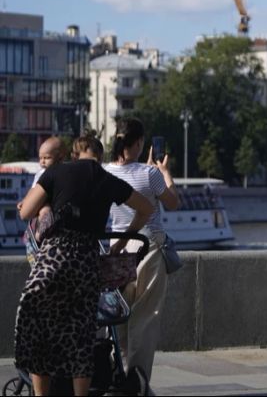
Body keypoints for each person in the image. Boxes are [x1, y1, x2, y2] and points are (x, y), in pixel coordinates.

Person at [14, 159, 153, 396]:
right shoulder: (106, 179)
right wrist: (121, 241)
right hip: (87, 261)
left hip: (55, 254)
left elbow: (26, 211)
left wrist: (45, 206)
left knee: (37, 322)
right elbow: (147, 208)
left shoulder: (56, 172)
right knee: (81, 334)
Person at [106, 118, 180, 386]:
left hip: (117, 248)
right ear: (138, 143)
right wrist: (165, 173)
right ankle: (136, 382)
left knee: (118, 316)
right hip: (147, 246)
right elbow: (172, 203)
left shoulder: (105, 171)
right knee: (146, 317)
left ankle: (115, 375)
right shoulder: (149, 174)